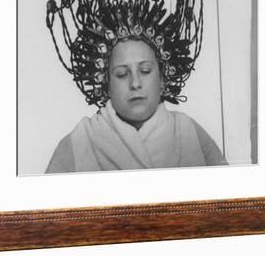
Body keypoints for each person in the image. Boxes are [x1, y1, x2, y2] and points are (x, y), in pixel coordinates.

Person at [46, 37, 227, 173]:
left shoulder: (187, 130)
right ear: (107, 85)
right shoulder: (80, 140)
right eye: (122, 74)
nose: (135, 83)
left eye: (145, 71)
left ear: (162, 80)